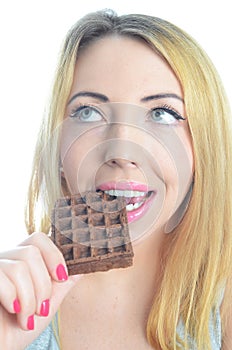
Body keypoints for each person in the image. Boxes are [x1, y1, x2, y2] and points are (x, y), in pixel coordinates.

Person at [0, 9, 231, 350]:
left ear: (203, 149)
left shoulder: (223, 307)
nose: (121, 151)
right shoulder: (11, 301)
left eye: (162, 114)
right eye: (88, 112)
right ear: (59, 145)